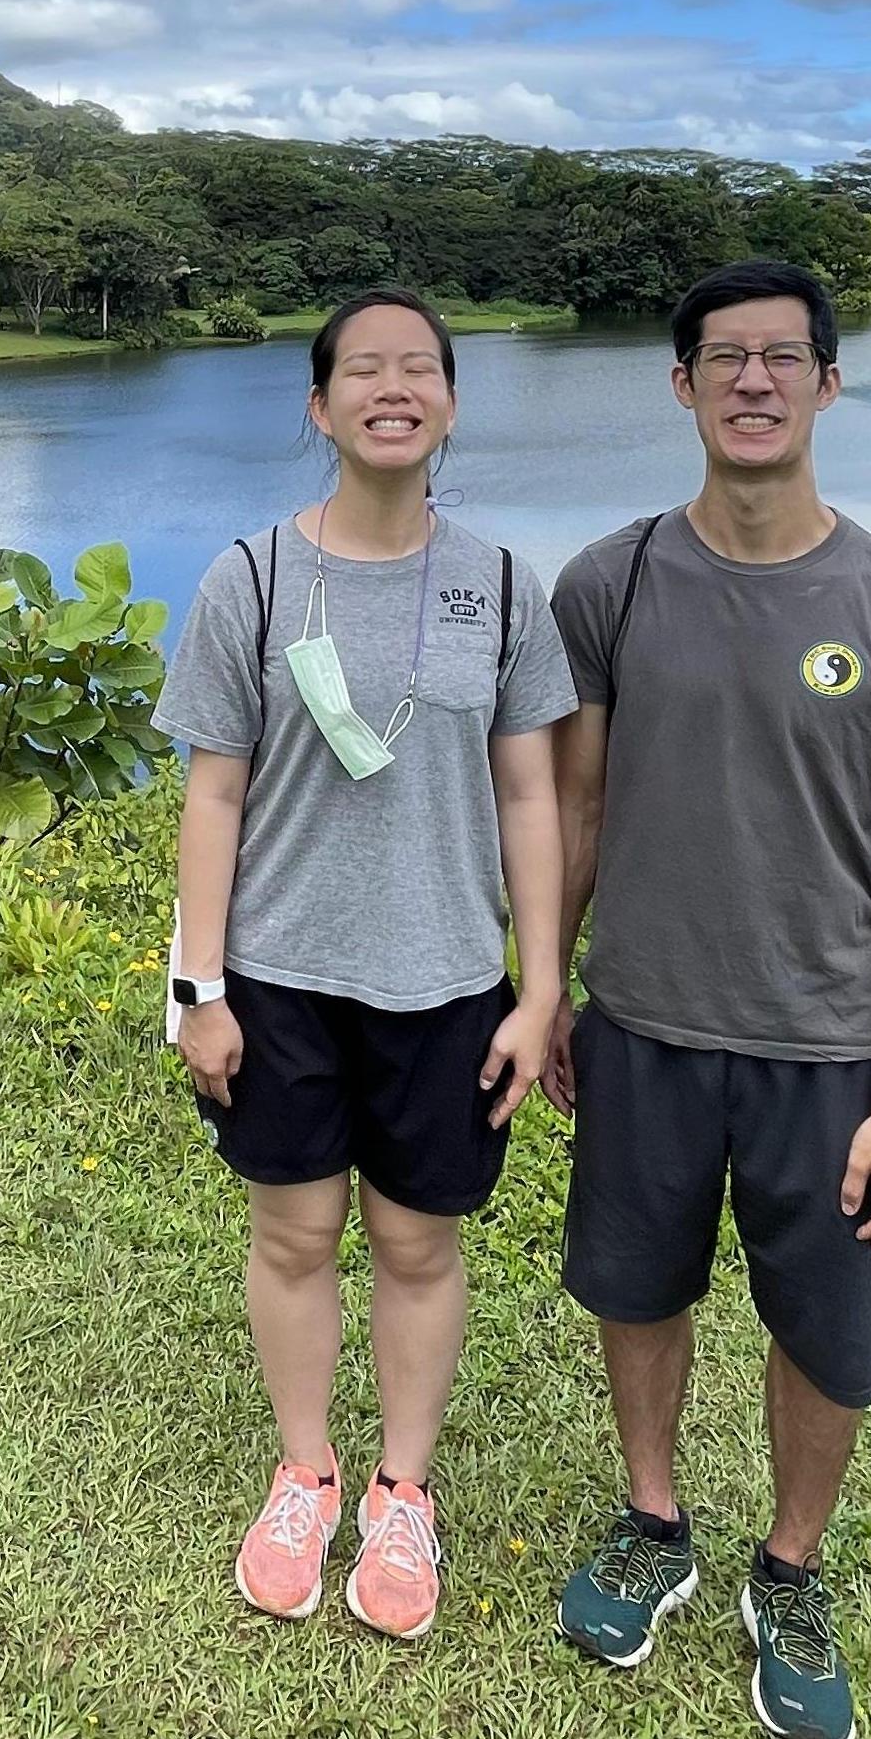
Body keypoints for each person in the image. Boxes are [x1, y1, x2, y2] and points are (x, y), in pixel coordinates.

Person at [542, 259, 871, 1739]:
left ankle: (790, 1568)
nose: (752, 381)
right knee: (639, 1286)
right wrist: (548, 988)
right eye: (722, 357)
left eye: (782, 356)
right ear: (680, 385)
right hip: (645, 1024)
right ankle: (652, 1519)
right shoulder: (609, 585)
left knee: (828, 1327)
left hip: (829, 1052)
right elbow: (579, 808)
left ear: (827, 384)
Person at [155, 288, 574, 1643]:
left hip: (445, 980)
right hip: (279, 977)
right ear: (319, 407)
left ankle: (402, 1489)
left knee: (415, 1242)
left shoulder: (500, 586)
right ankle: (305, 1473)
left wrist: (541, 988)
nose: (394, 390)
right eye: (363, 371)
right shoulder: (253, 579)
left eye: (420, 370)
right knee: (293, 1236)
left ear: (449, 401)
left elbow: (530, 796)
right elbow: (214, 796)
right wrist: (198, 988)